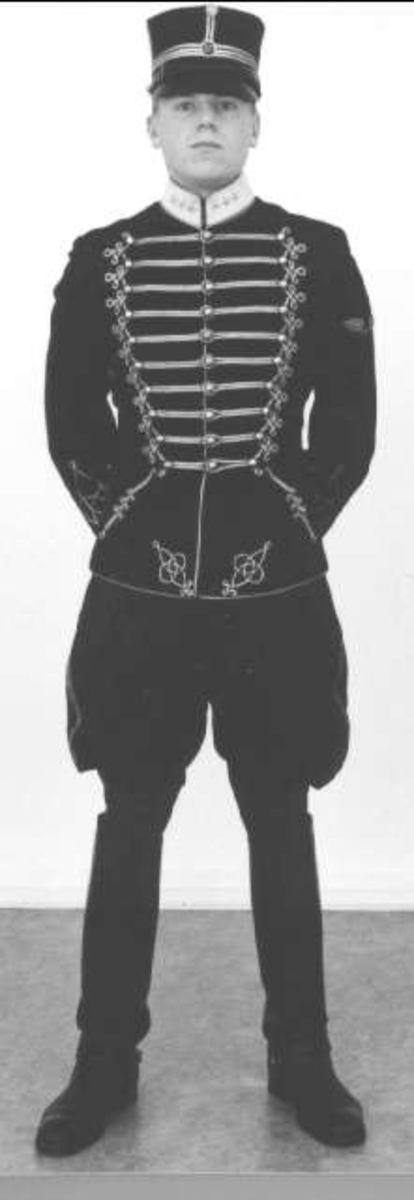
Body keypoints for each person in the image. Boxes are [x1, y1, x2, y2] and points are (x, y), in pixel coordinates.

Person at [35, 2, 377, 1158]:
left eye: (225, 105)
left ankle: (304, 1061)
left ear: (254, 122)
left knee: (281, 819)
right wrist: (133, 524)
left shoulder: (318, 252)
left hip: (277, 598)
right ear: (153, 122)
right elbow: (71, 421)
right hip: (140, 600)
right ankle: (101, 1065)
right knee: (129, 820)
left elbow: (350, 428)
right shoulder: (101, 259)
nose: (206, 122)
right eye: (185, 104)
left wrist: (287, 521)